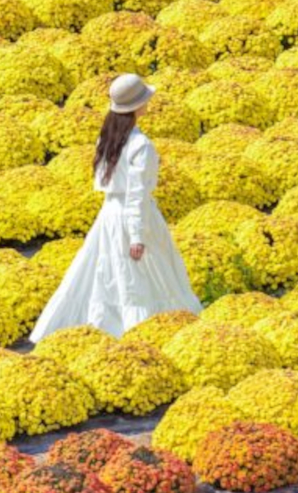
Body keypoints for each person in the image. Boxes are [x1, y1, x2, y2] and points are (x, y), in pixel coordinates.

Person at [30, 73, 202, 343]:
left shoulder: (108, 137)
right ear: (136, 106)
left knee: (107, 273)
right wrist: (137, 236)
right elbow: (137, 195)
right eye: (145, 99)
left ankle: (106, 328)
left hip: (109, 215)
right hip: (133, 218)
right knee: (140, 279)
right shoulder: (140, 145)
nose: (149, 103)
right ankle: (142, 333)